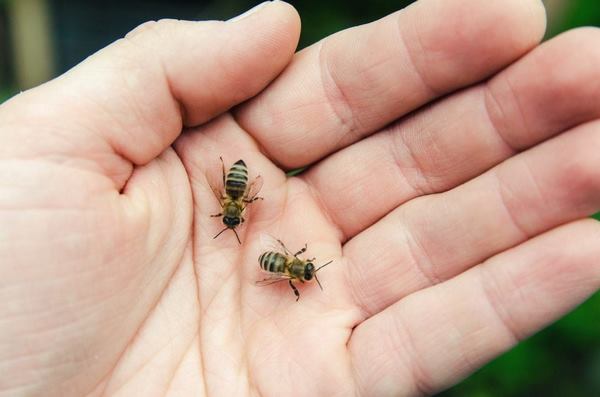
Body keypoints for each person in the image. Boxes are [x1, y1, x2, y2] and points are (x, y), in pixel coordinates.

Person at [1, 0, 599, 395]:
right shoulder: (261, 241)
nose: (303, 271)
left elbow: (262, 233)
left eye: (303, 271)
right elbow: (262, 233)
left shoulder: (262, 240)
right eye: (306, 271)